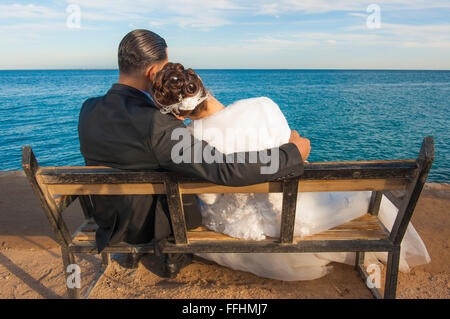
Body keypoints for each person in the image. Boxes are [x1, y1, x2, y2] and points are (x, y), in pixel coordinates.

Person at [149, 62, 431, 281]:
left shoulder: (191, 137)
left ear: (178, 114)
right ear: (201, 84)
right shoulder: (262, 105)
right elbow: (294, 162)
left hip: (238, 227)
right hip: (289, 213)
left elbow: (209, 199)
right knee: (368, 196)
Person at [77, 30, 311, 278]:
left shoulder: (88, 108)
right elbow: (225, 168)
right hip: (145, 227)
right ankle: (175, 254)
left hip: (108, 221)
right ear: (151, 72)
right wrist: (291, 154)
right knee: (187, 178)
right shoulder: (156, 124)